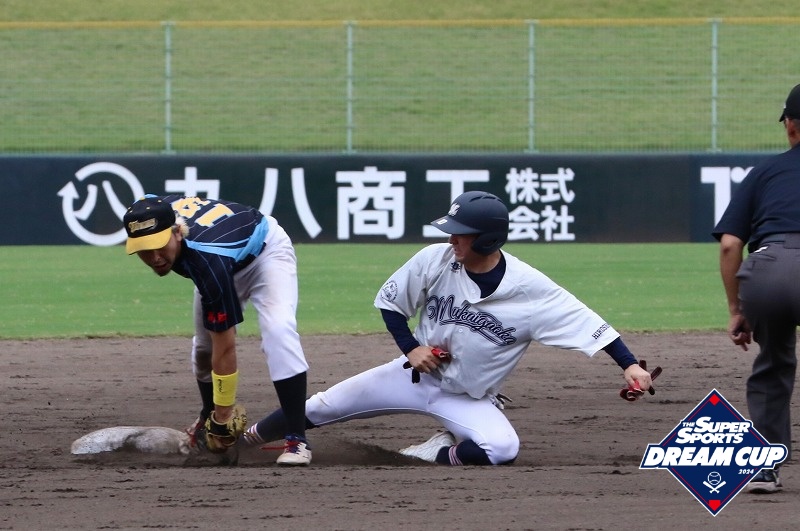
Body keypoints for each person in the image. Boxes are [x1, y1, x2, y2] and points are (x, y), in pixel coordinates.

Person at [241, 190, 652, 466]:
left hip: (466, 398)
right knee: (320, 407)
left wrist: (630, 365)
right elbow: (390, 304)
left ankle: (432, 452)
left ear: (487, 240)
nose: (451, 239)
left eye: (461, 234)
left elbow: (590, 325)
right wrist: (410, 348)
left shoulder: (532, 291)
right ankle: (242, 441)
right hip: (411, 376)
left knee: (502, 449)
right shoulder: (435, 260)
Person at [123, 194, 312, 465]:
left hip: (266, 256)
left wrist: (224, 418)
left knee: (278, 330)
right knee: (203, 349)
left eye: (159, 245)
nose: (154, 257)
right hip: (222, 262)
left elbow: (225, 345)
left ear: (176, 232)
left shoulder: (207, 258)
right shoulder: (156, 212)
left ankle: (297, 439)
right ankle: (206, 416)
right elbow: (148, 200)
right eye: (144, 249)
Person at [712, 83, 800, 493]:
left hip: (768, 274)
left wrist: (737, 309)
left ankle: (765, 468)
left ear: (791, 126)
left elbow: (730, 244)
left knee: (773, 364)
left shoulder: (764, 173)